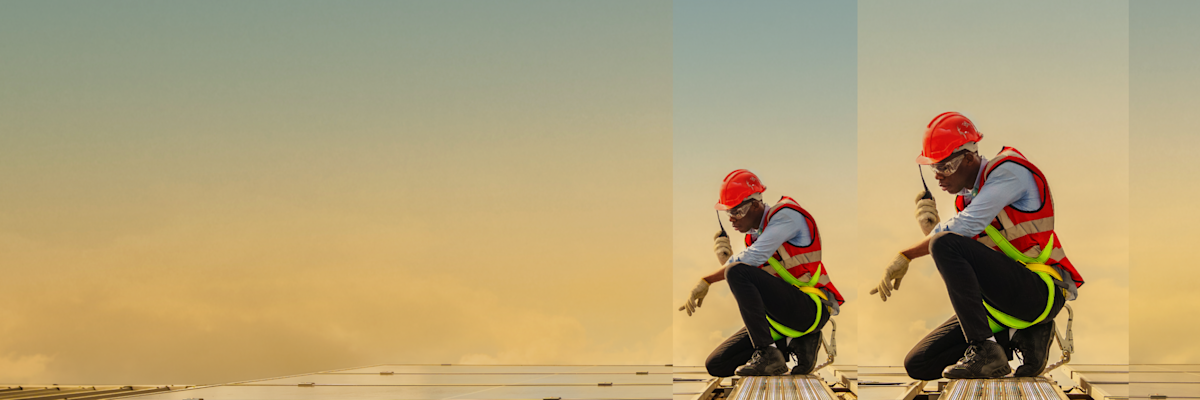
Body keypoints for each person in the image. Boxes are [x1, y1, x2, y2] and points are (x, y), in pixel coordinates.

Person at [870, 112, 1085, 380]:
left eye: (945, 167)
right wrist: (929, 230)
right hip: (1004, 301)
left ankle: (985, 348)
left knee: (944, 243)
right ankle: (1022, 335)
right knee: (920, 364)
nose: (938, 176)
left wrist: (907, 255)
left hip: (1040, 291)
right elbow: (968, 261)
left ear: (970, 158)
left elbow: (961, 231)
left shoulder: (1009, 172)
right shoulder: (969, 201)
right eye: (933, 168)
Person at [680, 169, 845, 377]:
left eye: (737, 212)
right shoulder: (755, 239)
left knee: (737, 272)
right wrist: (724, 258)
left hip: (811, 308)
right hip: (782, 316)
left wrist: (707, 280)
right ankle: (798, 342)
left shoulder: (786, 216)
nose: (732, 219)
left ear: (756, 205)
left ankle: (769, 353)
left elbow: (749, 262)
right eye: (728, 213)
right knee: (718, 365)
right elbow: (754, 281)